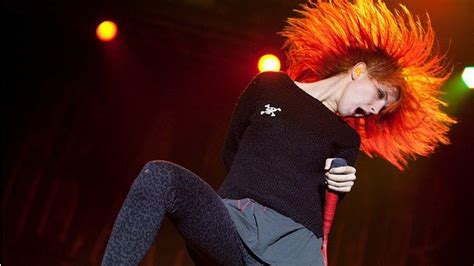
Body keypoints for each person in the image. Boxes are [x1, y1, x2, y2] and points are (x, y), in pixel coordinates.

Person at [101, 0, 456, 265]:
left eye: (383, 110)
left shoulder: (346, 137)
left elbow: (335, 187)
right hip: (231, 225)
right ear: (359, 70)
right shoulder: (269, 87)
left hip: (289, 253)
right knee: (160, 177)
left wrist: (341, 180)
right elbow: (232, 151)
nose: (376, 111)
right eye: (380, 95)